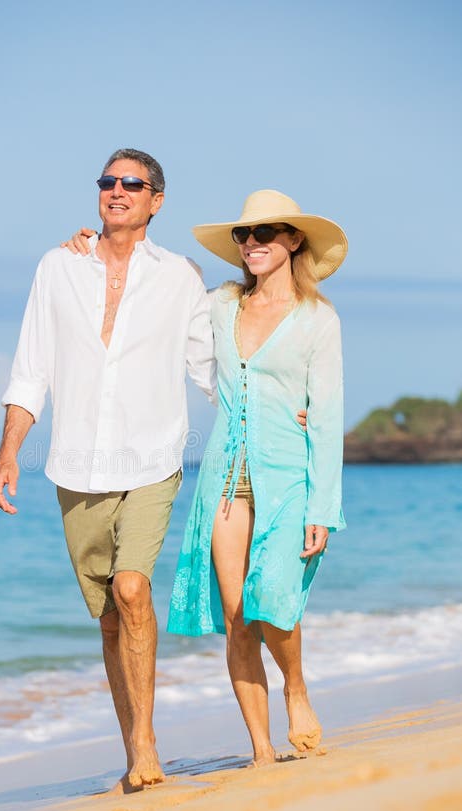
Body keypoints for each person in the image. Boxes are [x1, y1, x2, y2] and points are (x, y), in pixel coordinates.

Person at [0, 148, 217, 791]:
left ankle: (147, 747)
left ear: (157, 200)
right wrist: (9, 452)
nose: (117, 192)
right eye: (108, 182)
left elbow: (209, 371)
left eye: (132, 184)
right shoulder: (58, 266)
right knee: (110, 617)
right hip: (74, 465)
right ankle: (131, 749)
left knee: (133, 589)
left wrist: (279, 412)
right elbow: (31, 368)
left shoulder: (180, 277)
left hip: (152, 458)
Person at [167, 189, 347, 766]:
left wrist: (322, 507)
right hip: (225, 474)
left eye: (266, 233)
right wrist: (93, 247)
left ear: (294, 240)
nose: (252, 244)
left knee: (272, 600)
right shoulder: (220, 304)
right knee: (237, 612)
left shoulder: (319, 320)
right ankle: (261, 750)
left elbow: (326, 419)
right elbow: (160, 276)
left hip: (289, 474)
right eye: (245, 235)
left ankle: (296, 687)